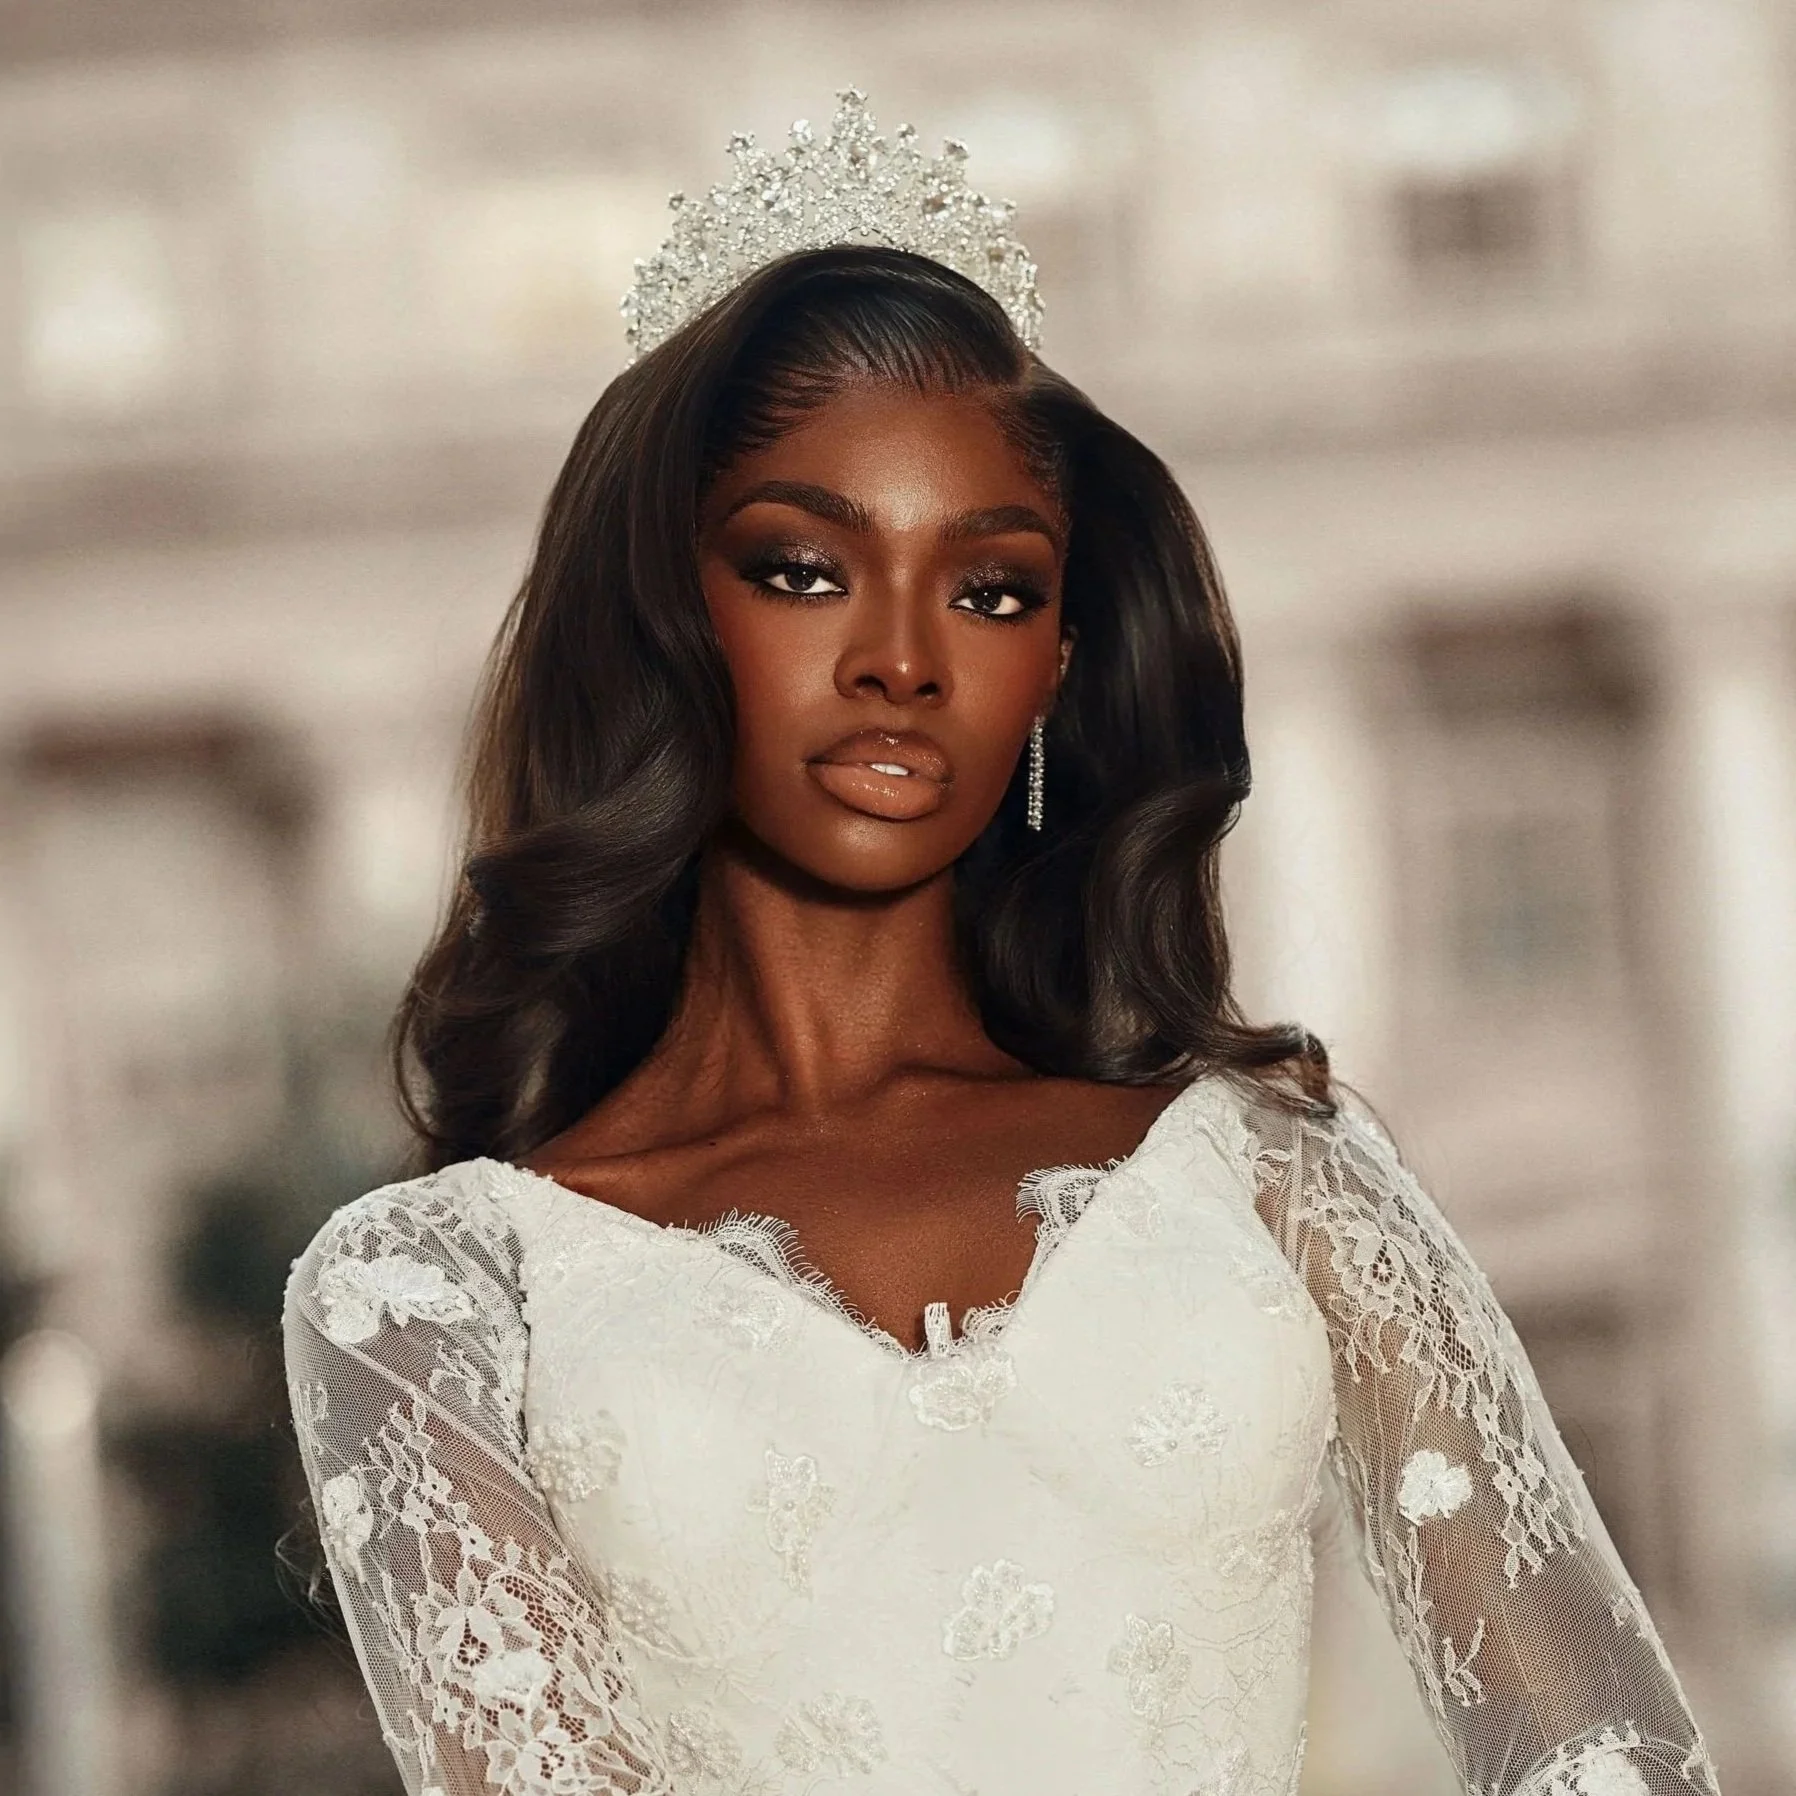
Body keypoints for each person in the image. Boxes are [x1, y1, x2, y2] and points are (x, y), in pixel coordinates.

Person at [283, 93, 1719, 1796]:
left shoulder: (1273, 1173)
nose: (903, 655)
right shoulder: (432, 1292)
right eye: (805, 568)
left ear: (1053, 665)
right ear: (667, 620)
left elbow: (1599, 1754)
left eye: (991, 589)